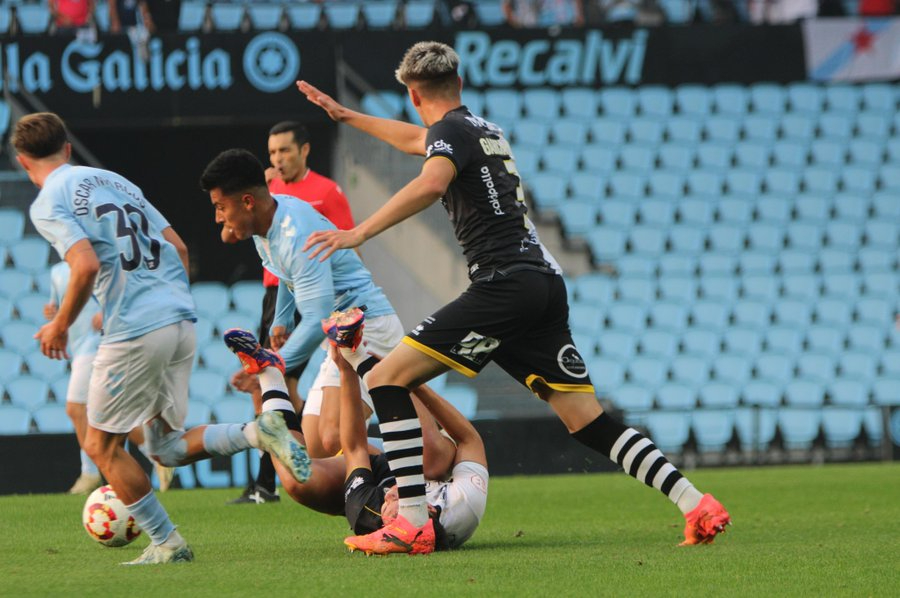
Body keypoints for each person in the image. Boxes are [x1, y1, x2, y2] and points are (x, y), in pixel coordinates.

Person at [297, 41, 731, 555]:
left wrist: (360, 232)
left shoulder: (448, 137)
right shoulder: (482, 130)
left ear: (414, 95)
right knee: (586, 420)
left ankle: (411, 522)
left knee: (387, 377)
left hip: (503, 285)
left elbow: (432, 179)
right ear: (458, 84)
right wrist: (348, 116)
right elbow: (418, 140)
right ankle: (696, 504)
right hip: (542, 283)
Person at [14, 112, 310, 565]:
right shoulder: (116, 181)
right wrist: (170, 303)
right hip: (179, 319)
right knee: (164, 447)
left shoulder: (48, 199)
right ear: (68, 149)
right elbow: (180, 248)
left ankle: (166, 542)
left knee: (101, 445)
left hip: (134, 328)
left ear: (21, 161)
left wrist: (58, 325)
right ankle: (260, 432)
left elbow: (85, 264)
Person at [199, 148, 404, 490]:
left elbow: (316, 316)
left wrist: (272, 366)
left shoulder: (296, 233)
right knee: (318, 444)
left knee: (335, 435)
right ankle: (404, 469)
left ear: (247, 201)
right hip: (339, 335)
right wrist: (282, 320)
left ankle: (416, 474)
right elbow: (284, 274)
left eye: (221, 207)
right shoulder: (268, 225)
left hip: (368, 326)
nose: (218, 217)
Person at [225, 328, 488, 551]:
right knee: (434, 461)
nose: (389, 498)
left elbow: (353, 447)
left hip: (375, 472)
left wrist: (346, 370)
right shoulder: (464, 504)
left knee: (298, 480)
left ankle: (268, 372)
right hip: (434, 464)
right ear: (429, 511)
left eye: (388, 509)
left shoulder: (369, 512)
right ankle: (394, 375)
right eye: (397, 504)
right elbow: (468, 439)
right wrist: (413, 385)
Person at [226, 121, 357, 505]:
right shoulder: (266, 193)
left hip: (316, 292)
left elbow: (348, 242)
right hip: (277, 296)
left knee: (280, 382)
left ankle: (282, 475)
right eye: (272, 153)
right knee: (267, 388)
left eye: (285, 150)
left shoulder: (325, 192)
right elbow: (229, 234)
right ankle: (273, 477)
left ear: (305, 151)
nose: (278, 159)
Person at [46, 261, 103, 495]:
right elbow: (60, 306)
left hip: (99, 340)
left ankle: (91, 472)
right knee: (107, 412)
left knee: (76, 407)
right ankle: (155, 452)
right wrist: (53, 312)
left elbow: (121, 293)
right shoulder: (57, 271)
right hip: (78, 346)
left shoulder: (95, 262)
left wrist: (107, 311)